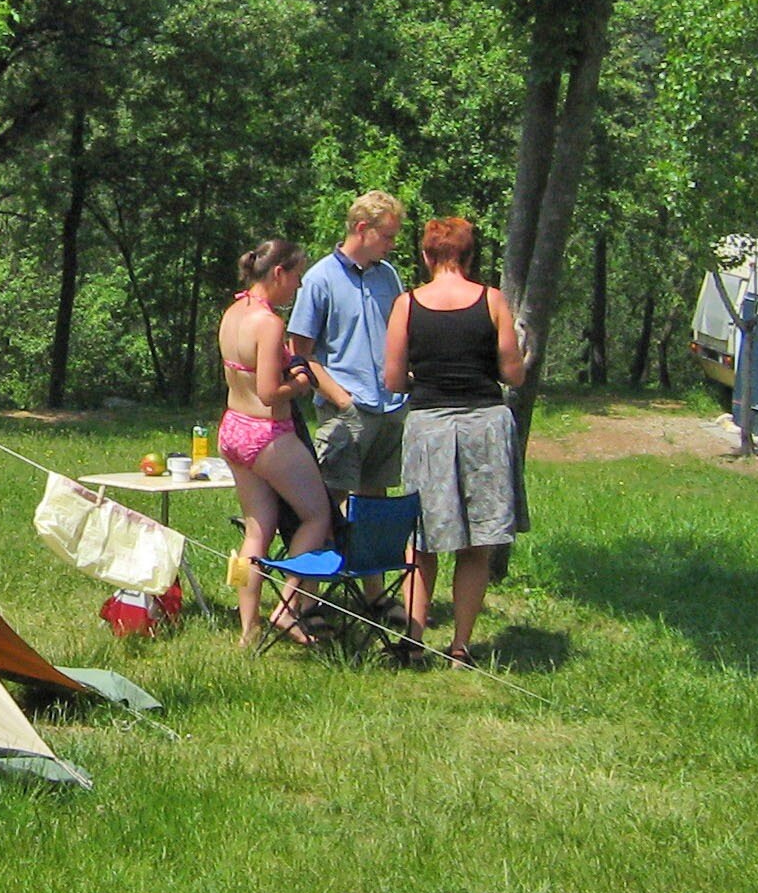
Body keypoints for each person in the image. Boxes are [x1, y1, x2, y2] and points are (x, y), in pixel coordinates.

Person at [382, 216, 528, 669]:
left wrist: (420, 377)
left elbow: (391, 379)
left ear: (426, 256)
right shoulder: (493, 301)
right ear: (468, 256)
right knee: (476, 544)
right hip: (485, 425)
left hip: (429, 428)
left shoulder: (407, 305)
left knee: (422, 543)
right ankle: (461, 647)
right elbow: (513, 373)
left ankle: (413, 638)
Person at [219, 238, 333, 648]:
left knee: (257, 531)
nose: (299, 286)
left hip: (231, 427)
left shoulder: (234, 311)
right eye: (297, 275)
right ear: (279, 273)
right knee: (317, 516)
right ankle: (288, 607)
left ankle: (247, 631)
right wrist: (300, 382)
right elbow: (269, 391)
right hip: (266, 433)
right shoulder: (269, 323)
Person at [288, 191, 408, 505]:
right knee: (330, 497)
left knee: (375, 500)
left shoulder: (388, 276)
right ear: (362, 228)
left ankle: (366, 554)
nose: (391, 245)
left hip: (389, 406)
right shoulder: (319, 279)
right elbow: (300, 351)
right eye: (386, 236)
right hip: (346, 408)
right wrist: (342, 400)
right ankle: (320, 552)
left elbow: (399, 333)